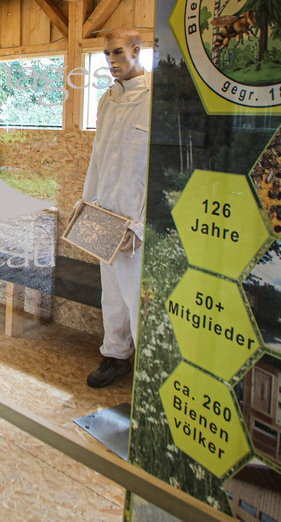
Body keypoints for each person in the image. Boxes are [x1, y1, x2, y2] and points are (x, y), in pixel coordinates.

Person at [81, 27, 151, 389]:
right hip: (105, 211)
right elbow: (98, 157)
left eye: (118, 53)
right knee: (112, 293)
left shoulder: (155, 100)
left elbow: (158, 169)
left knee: (136, 295)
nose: (111, 61)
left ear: (137, 51)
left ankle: (150, 374)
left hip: (135, 221)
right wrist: (86, 205)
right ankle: (116, 355)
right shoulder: (107, 99)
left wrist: (141, 225)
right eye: (107, 55)